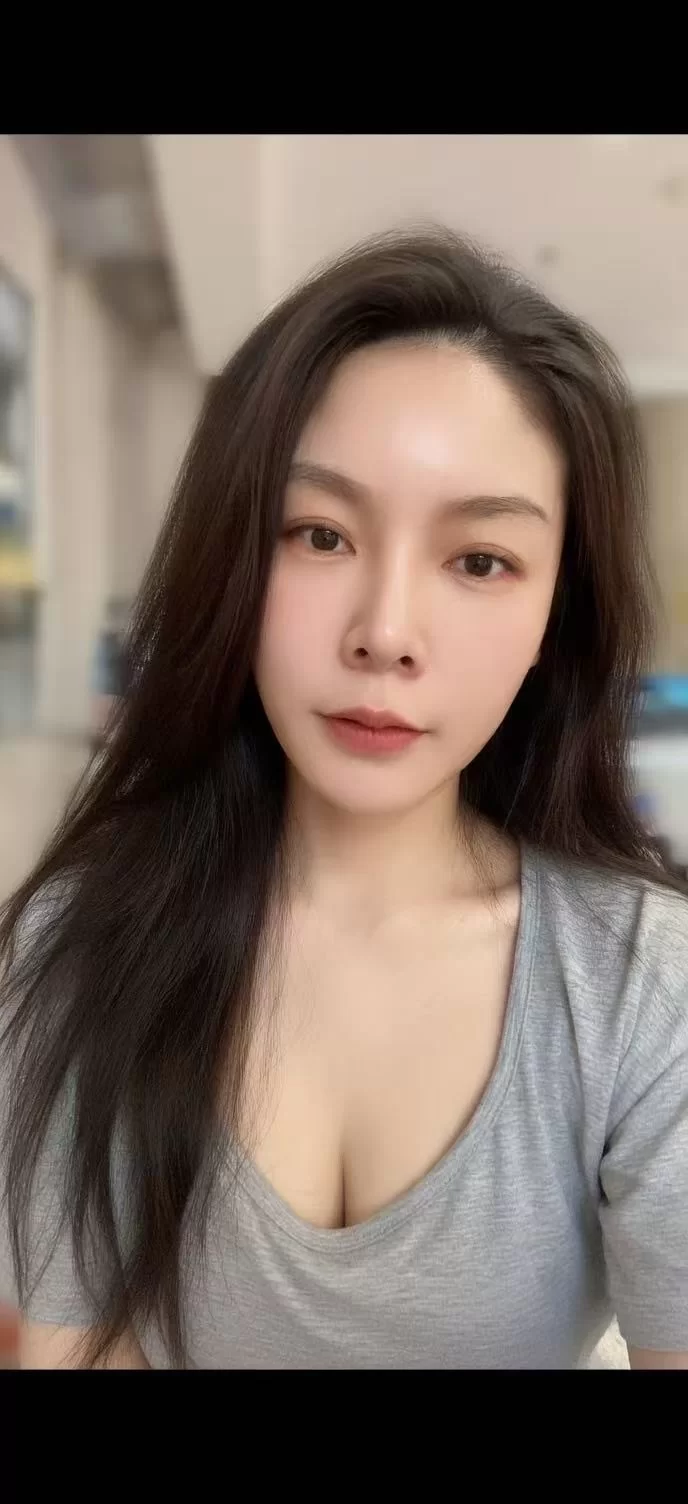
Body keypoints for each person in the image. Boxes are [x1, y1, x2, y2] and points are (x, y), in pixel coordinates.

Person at [1, 227, 687, 1371]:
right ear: (233, 559)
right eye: (319, 534)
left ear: (551, 620)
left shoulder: (640, 987)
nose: (384, 632)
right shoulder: (84, 943)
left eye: (479, 560)